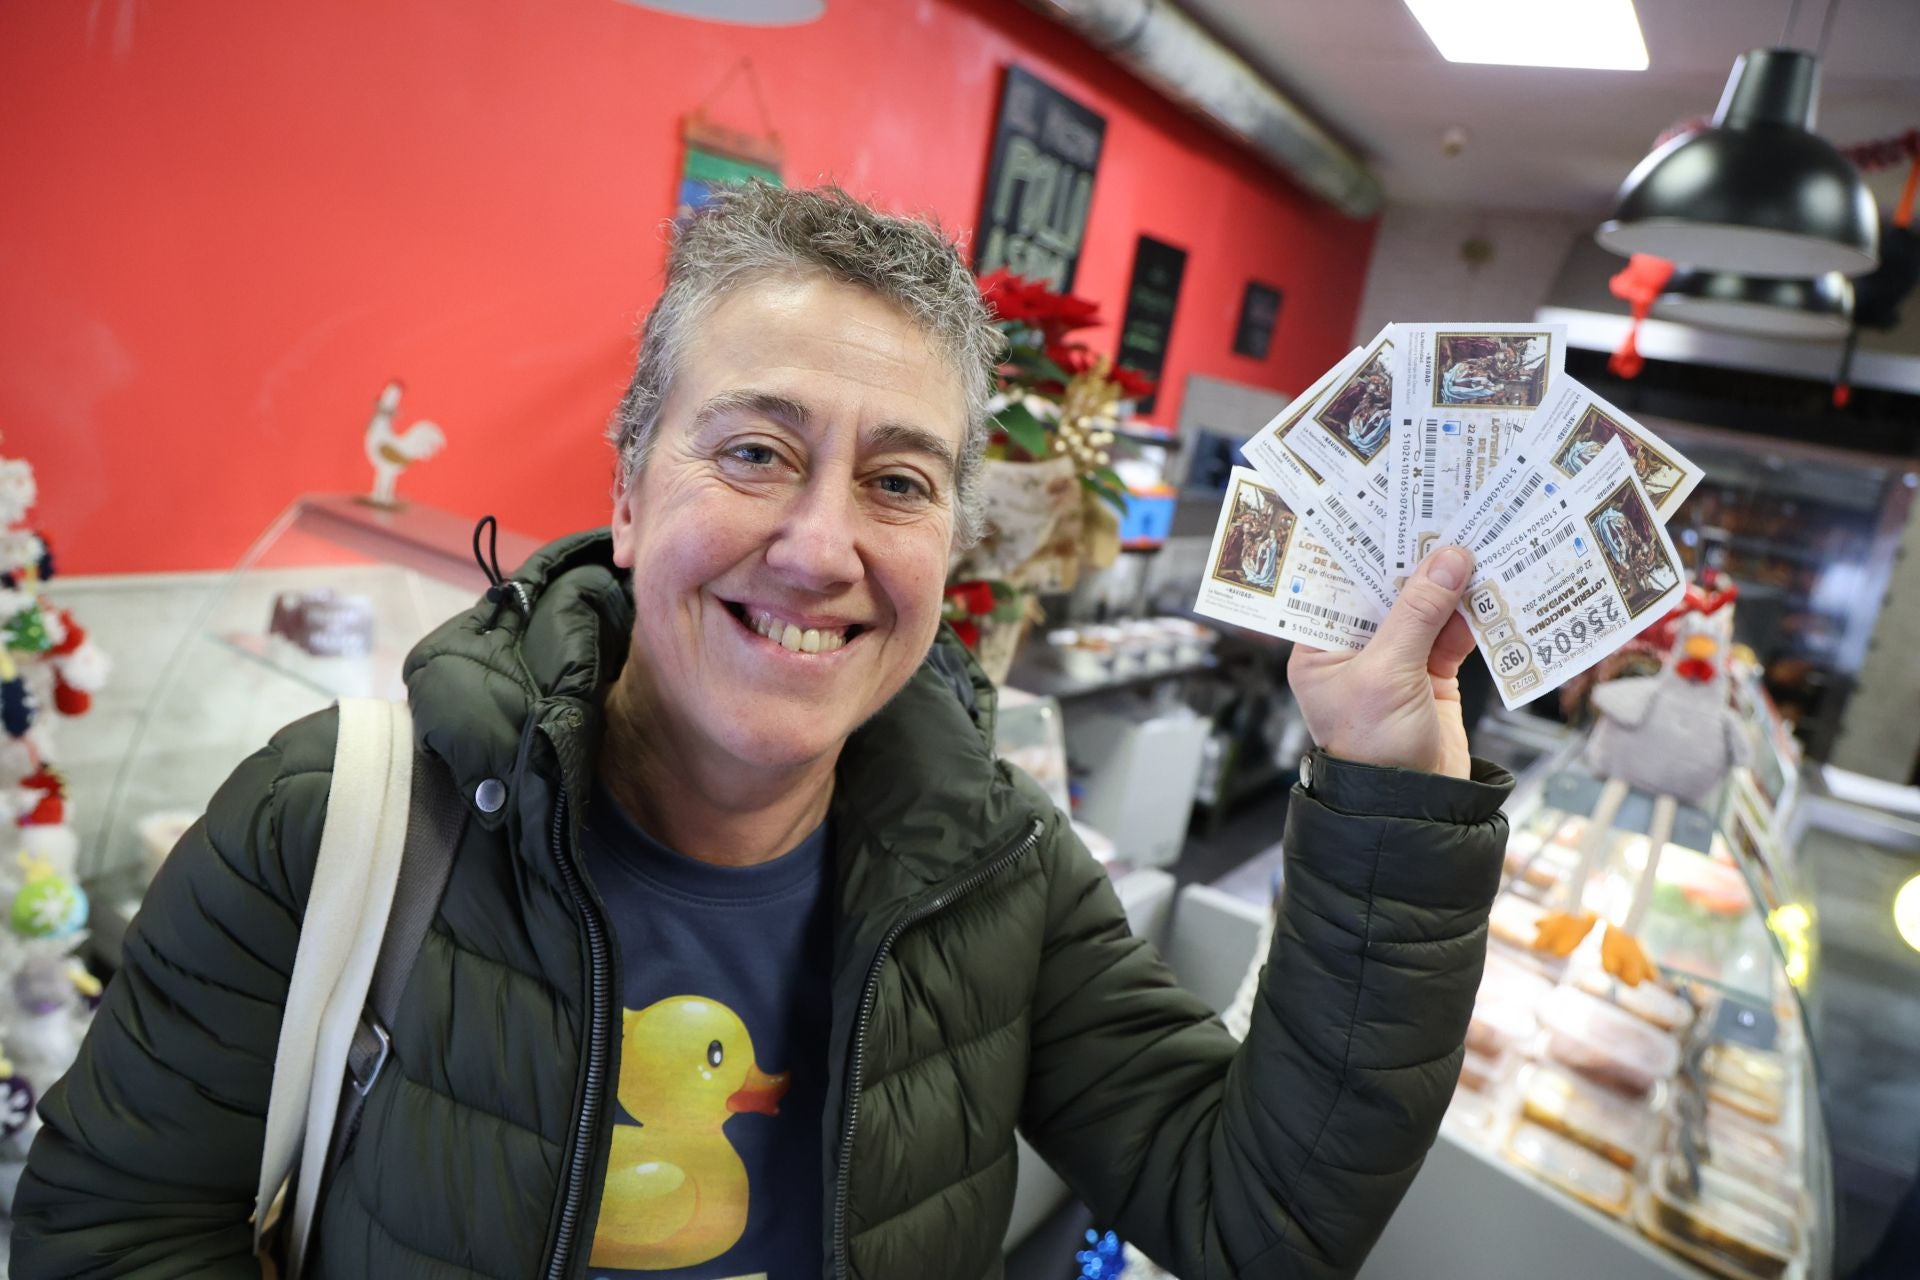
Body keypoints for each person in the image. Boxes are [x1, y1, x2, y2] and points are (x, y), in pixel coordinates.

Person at [10, 184, 1510, 1280]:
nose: (817, 546)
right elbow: (110, 1228)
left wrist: (1386, 790)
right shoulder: (336, 816)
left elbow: (1264, 1214)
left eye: (899, 482)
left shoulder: (1001, 877)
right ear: (628, 488)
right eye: (755, 451)